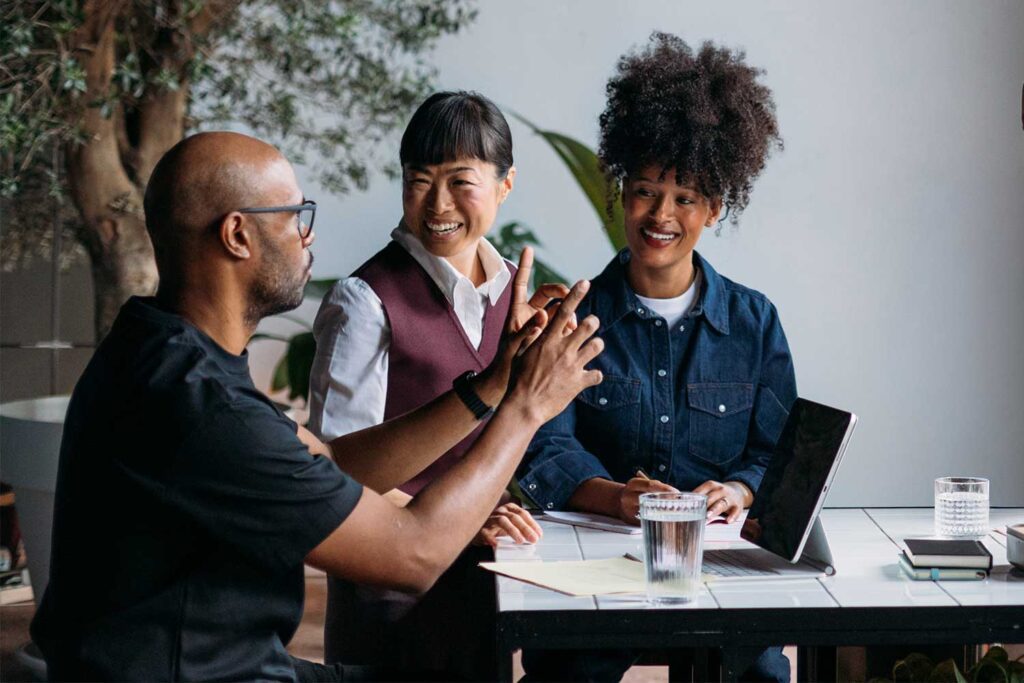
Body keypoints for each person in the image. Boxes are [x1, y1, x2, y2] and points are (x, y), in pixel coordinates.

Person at [29, 131, 604, 682]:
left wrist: (492, 386)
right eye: (295, 216)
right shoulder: (203, 406)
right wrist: (526, 406)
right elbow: (415, 554)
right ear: (237, 236)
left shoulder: (156, 350)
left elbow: (333, 461)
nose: (309, 237)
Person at [517, 33, 797, 682]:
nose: (660, 215)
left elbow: (777, 453)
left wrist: (738, 488)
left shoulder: (755, 323)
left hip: (720, 573)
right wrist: (620, 499)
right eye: (644, 191)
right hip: (595, 572)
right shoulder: (576, 318)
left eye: (685, 198)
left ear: (715, 207)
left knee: (761, 674)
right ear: (620, 193)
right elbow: (547, 451)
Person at [307, 91, 564, 679]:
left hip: (484, 583)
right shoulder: (365, 301)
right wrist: (467, 520)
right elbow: (337, 476)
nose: (438, 203)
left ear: (505, 185)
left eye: (461, 182)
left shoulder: (513, 297)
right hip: (390, 597)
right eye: (419, 180)